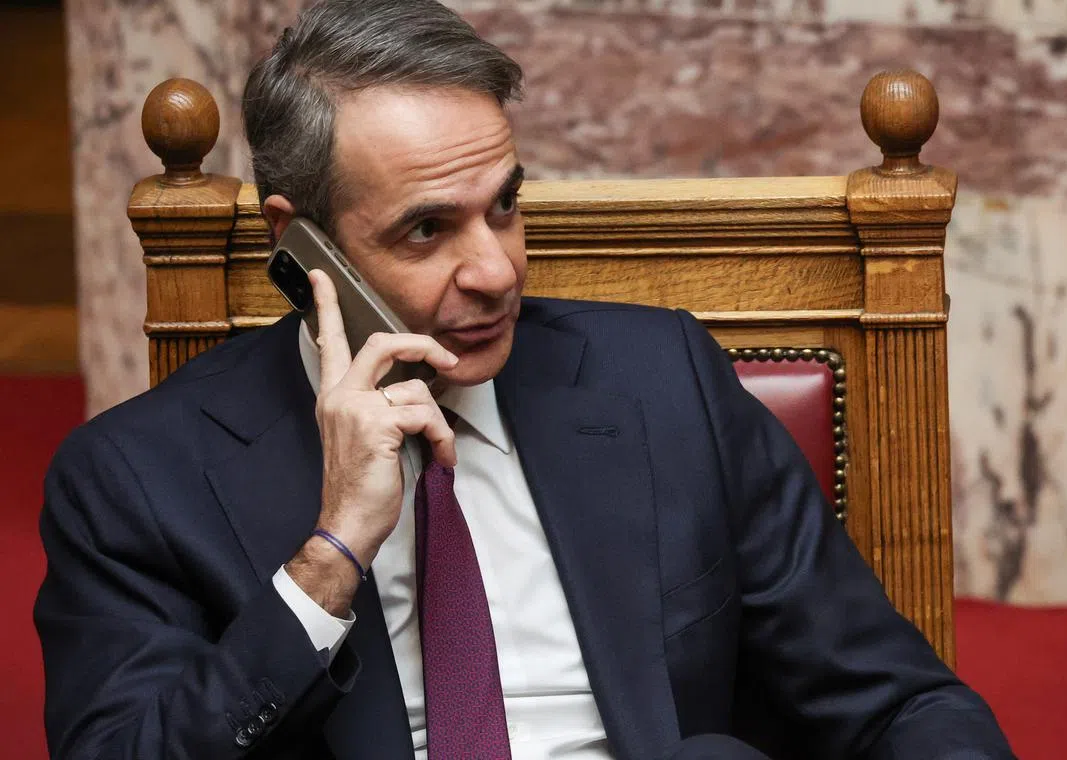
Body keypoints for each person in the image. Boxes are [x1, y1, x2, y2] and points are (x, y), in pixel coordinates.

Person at [35, 1, 1014, 758]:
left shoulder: (665, 383)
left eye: (504, 207)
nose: (497, 269)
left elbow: (899, 703)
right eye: (428, 229)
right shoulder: (136, 478)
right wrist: (332, 554)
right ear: (303, 246)